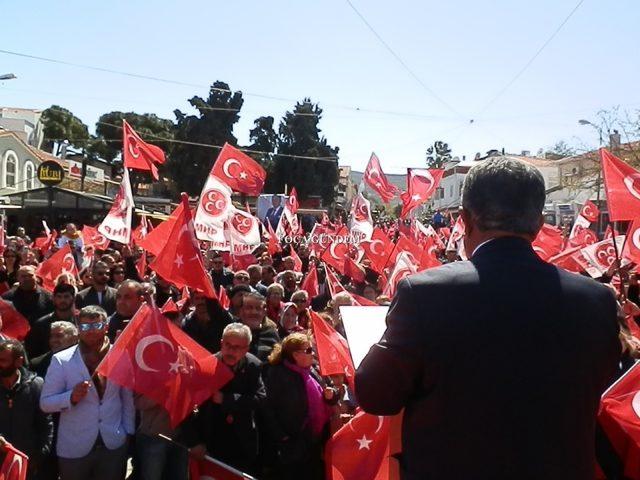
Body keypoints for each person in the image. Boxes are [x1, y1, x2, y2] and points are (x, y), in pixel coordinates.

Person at [355, 158, 621, 480]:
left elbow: (375, 394)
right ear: (538, 224)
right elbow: (604, 386)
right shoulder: (596, 300)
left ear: (465, 220)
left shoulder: (424, 295)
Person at [40, 306, 135, 480]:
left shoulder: (120, 355)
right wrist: (70, 397)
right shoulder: (62, 360)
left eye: (96, 326)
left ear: (106, 327)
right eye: (84, 327)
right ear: (77, 329)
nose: (90, 332)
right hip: (75, 447)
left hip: (113, 443)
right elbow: (45, 403)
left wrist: (127, 433)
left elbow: (126, 398)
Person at [189, 323, 266, 475]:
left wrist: (227, 399)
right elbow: (187, 407)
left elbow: (260, 398)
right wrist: (195, 442)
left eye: (237, 347)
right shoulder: (206, 367)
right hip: (211, 442)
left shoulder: (253, 365)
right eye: (227, 345)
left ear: (246, 349)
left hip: (241, 443)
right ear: (221, 343)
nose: (230, 351)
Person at [264, 333, 337, 480]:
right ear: (296, 355)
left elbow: (331, 390)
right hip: (293, 441)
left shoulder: (314, 369)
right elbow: (267, 408)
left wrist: (331, 395)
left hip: (315, 438)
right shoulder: (277, 374)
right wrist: (282, 436)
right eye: (309, 350)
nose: (313, 353)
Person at [0, 339, 54, 480]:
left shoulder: (36, 386)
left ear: (19, 361)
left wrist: (38, 457)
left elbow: (46, 425)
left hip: (28, 464)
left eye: (3, 360)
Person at [26, 283, 77, 358]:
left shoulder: (80, 321)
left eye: (66, 297)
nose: (62, 300)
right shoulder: (41, 324)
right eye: (59, 297)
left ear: (73, 298)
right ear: (53, 298)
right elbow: (32, 352)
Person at [238, 292, 280, 363]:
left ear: (264, 312)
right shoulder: (232, 331)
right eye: (249, 308)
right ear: (241, 311)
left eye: (258, 308)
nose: (254, 312)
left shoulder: (272, 334)